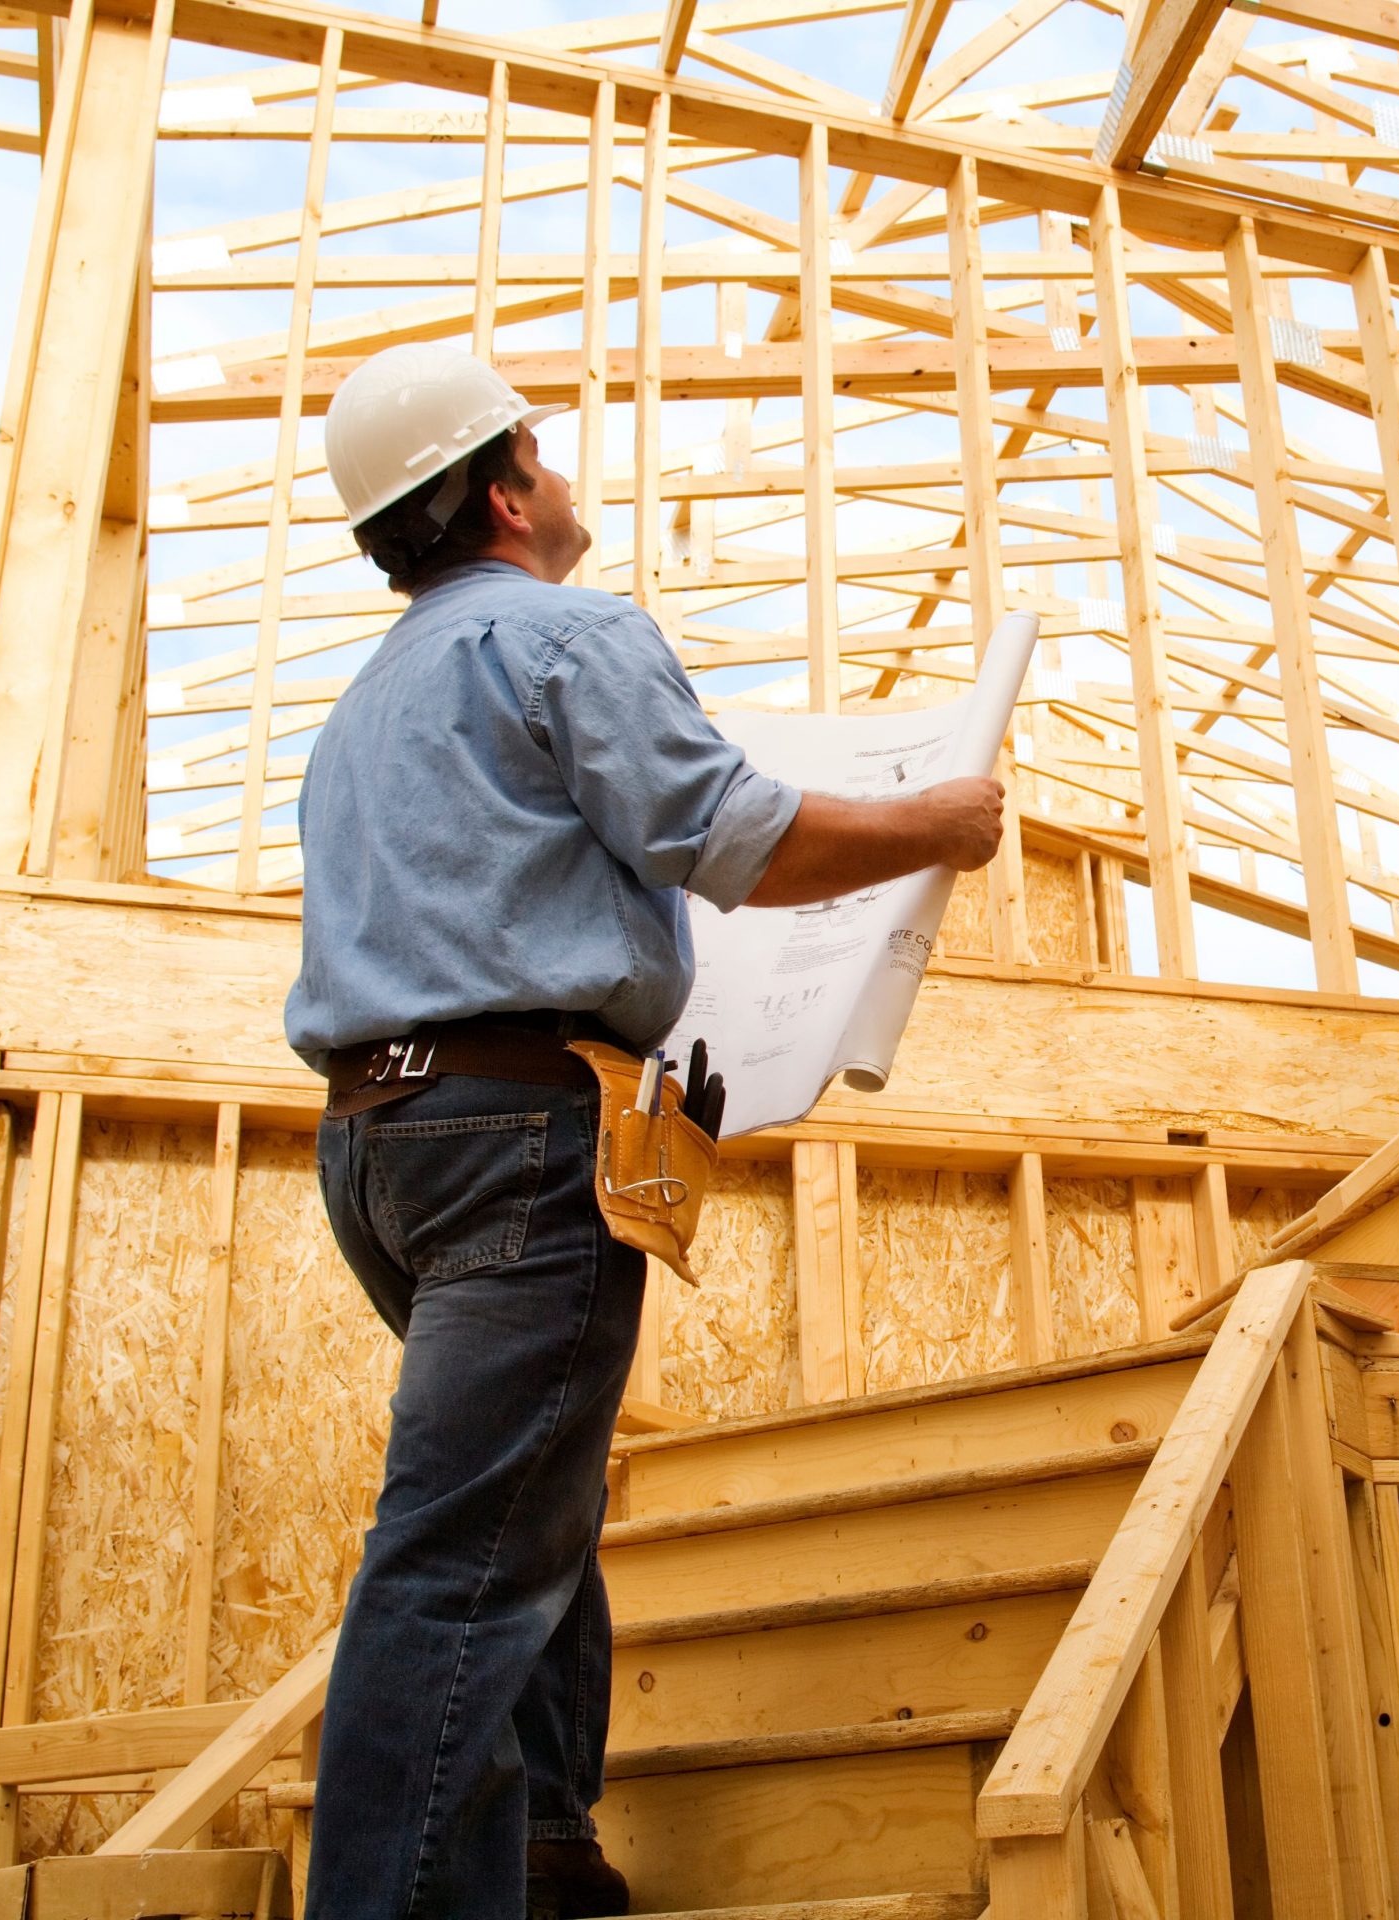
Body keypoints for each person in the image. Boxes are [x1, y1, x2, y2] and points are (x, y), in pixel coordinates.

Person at [283, 343, 1005, 1920]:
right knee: (458, 1547)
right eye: (533, 450)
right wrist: (936, 823)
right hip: (512, 1140)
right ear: (499, 489)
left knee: (519, 1501)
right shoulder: (565, 634)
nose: (555, 473)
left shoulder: (364, 705)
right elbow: (737, 839)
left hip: (378, 1146)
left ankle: (541, 1856)